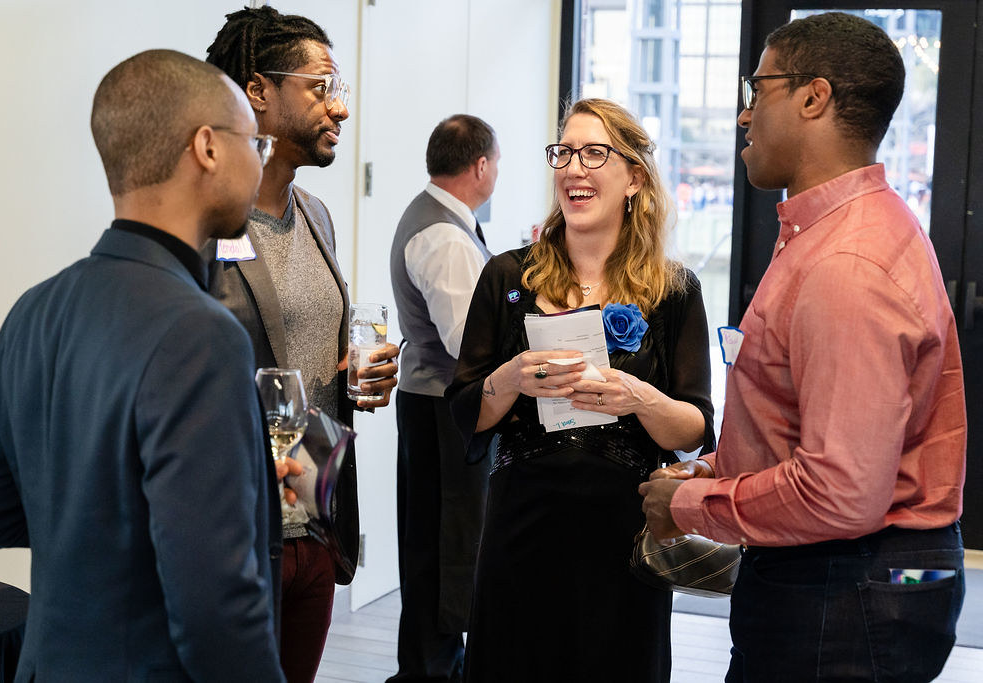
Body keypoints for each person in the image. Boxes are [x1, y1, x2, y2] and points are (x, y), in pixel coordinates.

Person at [639, 12, 966, 682]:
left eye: (758, 91)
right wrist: (723, 474)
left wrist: (693, 505)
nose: (744, 115)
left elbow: (841, 492)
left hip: (847, 584)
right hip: (858, 574)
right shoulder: (847, 230)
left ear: (813, 97)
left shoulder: (847, 264)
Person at [0, 49, 286, 681]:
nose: (262, 159)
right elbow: (216, 610)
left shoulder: (33, 310)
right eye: (256, 139)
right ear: (208, 148)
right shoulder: (200, 333)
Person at [447, 98, 715, 683]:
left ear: (634, 179)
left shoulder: (675, 292)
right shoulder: (506, 277)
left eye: (595, 153)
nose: (574, 168)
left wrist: (638, 397)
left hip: (624, 533)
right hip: (521, 527)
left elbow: (696, 428)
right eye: (564, 152)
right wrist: (511, 377)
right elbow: (465, 411)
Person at [205, 7, 400, 682]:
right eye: (319, 86)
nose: (339, 107)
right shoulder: (206, 225)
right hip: (238, 531)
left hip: (316, 517)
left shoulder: (316, 216)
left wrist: (356, 377)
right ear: (258, 91)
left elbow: (307, 349)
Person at [387, 114, 498, 682]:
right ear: (481, 165)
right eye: (496, 164)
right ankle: (431, 673)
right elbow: (466, 343)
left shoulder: (438, 219)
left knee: (436, 546)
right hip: (441, 408)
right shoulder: (446, 237)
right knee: (446, 548)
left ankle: (428, 669)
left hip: (429, 402)